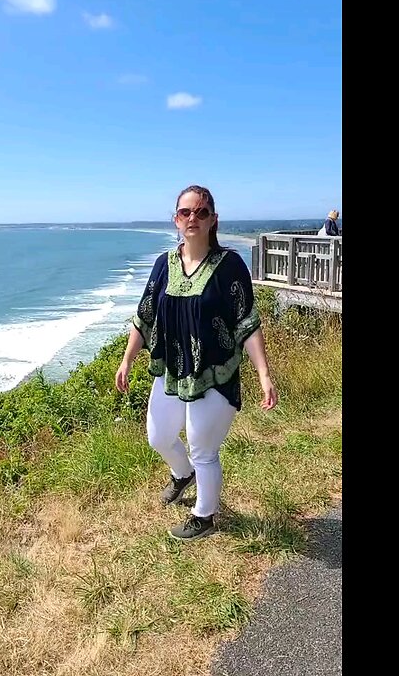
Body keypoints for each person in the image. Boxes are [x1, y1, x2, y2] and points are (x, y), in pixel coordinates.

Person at [115, 184, 278, 540]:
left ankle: (204, 516)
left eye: (201, 212)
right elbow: (144, 317)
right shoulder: (163, 265)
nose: (193, 218)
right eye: (186, 212)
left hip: (214, 376)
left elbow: (247, 323)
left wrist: (264, 374)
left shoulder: (229, 265)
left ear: (213, 220)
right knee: (158, 437)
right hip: (172, 373)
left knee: (203, 449)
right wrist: (127, 360)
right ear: (176, 219)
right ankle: (182, 473)